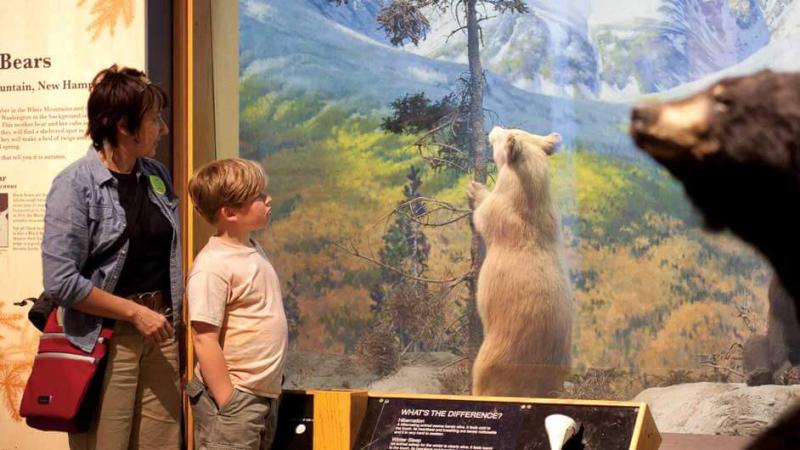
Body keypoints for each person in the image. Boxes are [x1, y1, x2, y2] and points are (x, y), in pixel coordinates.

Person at [41, 65, 182, 450]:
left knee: (161, 444)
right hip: (103, 340)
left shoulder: (156, 174)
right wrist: (134, 312)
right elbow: (61, 282)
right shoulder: (74, 184)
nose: (163, 129)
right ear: (124, 125)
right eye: (154, 120)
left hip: (161, 333)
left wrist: (159, 317)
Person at [186, 158, 288, 450]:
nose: (268, 199)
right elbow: (204, 338)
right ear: (229, 212)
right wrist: (227, 400)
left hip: (260, 396)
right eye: (258, 197)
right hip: (236, 400)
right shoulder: (212, 265)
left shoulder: (252, 249)